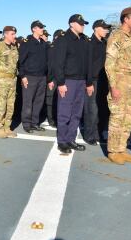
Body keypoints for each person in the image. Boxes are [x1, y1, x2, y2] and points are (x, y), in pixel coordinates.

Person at [52, 14, 93, 154]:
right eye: (80, 23)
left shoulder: (84, 41)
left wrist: (89, 82)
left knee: (76, 113)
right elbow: (58, 63)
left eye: (84, 24)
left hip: (81, 82)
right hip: (68, 81)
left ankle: (70, 139)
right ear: (71, 24)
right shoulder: (63, 40)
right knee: (64, 113)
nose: (83, 26)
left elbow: (88, 63)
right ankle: (62, 141)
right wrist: (61, 82)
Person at [104, 8, 131, 163]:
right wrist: (113, 86)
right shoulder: (116, 36)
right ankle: (113, 151)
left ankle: (121, 149)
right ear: (125, 19)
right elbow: (109, 63)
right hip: (119, 79)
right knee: (117, 116)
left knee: (129, 117)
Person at [82, 19, 111, 145]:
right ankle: (90, 135)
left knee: (103, 108)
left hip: (104, 80)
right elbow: (87, 65)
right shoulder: (90, 43)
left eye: (106, 28)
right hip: (93, 80)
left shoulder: (105, 43)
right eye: (103, 28)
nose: (106, 30)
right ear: (95, 29)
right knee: (91, 109)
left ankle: (99, 133)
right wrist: (88, 83)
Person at [0, 26, 20, 138]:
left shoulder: (14, 48)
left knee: (10, 106)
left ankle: (7, 127)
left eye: (15, 34)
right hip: (1, 80)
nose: (14, 36)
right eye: (12, 34)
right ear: (5, 34)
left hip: (12, 80)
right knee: (0, 105)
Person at [18, 21, 48, 133]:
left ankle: (35, 123)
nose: (42, 30)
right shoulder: (27, 43)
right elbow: (21, 61)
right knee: (28, 102)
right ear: (34, 29)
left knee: (38, 102)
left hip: (42, 77)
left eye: (42, 28)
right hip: (29, 77)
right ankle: (26, 124)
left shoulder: (43, 43)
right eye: (40, 28)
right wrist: (23, 76)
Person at [45, 29, 64, 128]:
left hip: (61, 77)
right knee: (50, 100)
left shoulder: (62, 48)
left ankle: (57, 118)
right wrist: (50, 79)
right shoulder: (52, 48)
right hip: (53, 78)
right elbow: (50, 65)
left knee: (59, 99)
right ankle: (51, 119)